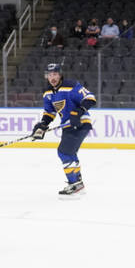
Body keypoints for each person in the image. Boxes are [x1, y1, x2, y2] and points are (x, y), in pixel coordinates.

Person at [30, 63, 95, 198]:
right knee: (69, 153)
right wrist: (43, 125)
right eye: (49, 75)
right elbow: (50, 113)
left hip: (80, 123)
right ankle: (77, 182)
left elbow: (90, 98)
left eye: (55, 74)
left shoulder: (71, 85)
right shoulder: (47, 93)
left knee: (64, 152)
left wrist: (78, 111)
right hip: (67, 126)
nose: (52, 77)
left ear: (60, 75)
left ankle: (75, 183)